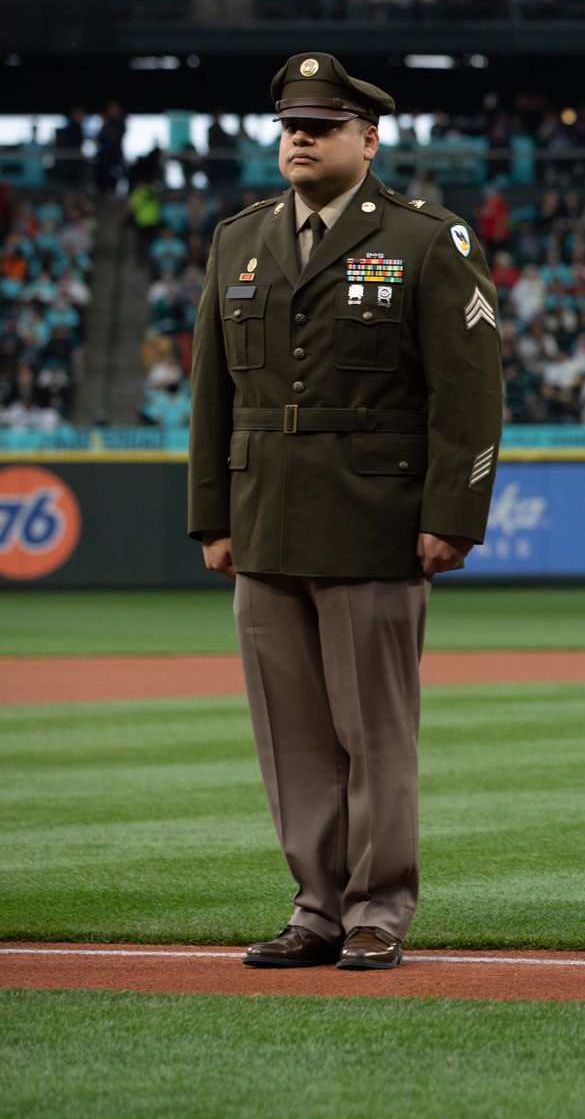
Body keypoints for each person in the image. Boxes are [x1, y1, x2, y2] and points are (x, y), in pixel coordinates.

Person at [186, 53, 504, 973]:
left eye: (321, 125)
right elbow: (215, 394)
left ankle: (376, 908)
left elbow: (470, 396)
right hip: (263, 521)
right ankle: (315, 907)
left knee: (374, 733)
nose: (299, 136)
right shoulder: (237, 240)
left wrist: (453, 514)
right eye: (291, 123)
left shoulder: (424, 241)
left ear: (369, 140)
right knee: (290, 739)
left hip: (374, 520)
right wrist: (213, 516)